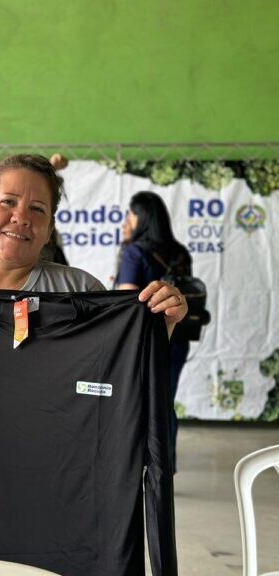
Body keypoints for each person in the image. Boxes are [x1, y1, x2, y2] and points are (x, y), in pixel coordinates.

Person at [0, 154, 188, 420]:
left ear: (49, 230)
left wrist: (164, 324)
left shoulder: (81, 290)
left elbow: (127, 382)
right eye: (8, 202)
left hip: (64, 471)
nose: (21, 217)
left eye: (37, 209)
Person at [115, 190, 193, 473]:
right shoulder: (180, 251)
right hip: (178, 335)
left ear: (140, 217)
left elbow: (127, 299)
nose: (127, 219)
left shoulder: (134, 251)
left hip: (144, 341)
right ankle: (166, 464)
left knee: (138, 401)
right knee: (166, 398)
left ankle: (141, 463)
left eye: (130, 214)